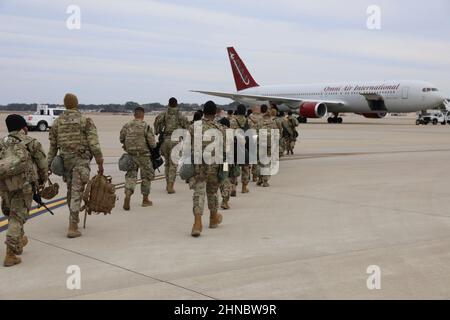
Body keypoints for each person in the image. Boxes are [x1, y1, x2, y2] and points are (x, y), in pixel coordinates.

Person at [48, 93, 104, 238]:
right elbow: (94, 144)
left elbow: (52, 148)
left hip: (66, 162)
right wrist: (100, 161)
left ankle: (74, 219)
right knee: (77, 191)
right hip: (80, 161)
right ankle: (72, 226)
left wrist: (47, 166)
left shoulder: (57, 123)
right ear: (76, 104)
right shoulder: (85, 121)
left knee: (71, 191)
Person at [1, 115, 47, 267]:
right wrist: (41, 181)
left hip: (5, 186)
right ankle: (10, 254)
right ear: (23, 127)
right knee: (17, 217)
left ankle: (19, 241)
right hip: (23, 186)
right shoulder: (31, 142)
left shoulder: (2, 142)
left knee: (12, 213)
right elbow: (42, 164)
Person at [190, 101, 225, 237]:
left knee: (199, 193)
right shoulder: (220, 128)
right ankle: (213, 218)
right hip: (214, 166)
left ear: (203, 111)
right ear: (215, 112)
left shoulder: (194, 127)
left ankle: (197, 223)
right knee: (212, 192)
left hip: (199, 166)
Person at [120, 107, 156, 210]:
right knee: (146, 177)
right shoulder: (146, 126)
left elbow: (121, 138)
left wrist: (127, 146)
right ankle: (145, 200)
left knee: (131, 176)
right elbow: (152, 144)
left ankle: (128, 194)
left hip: (131, 155)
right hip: (144, 156)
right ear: (143, 115)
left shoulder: (127, 126)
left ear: (134, 115)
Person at [154, 97, 189, 194]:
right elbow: (186, 127)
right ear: (177, 104)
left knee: (167, 164)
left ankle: (167, 184)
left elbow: (157, 124)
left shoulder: (164, 114)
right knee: (173, 164)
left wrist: (158, 131)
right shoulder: (180, 115)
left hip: (165, 141)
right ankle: (170, 185)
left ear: (168, 104)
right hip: (176, 141)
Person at [230, 104, 254, 194]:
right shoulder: (249, 121)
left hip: (235, 146)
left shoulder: (232, 121)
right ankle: (244, 187)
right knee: (245, 168)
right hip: (245, 147)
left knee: (233, 167)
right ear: (244, 111)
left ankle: (233, 187)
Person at [257, 104, 278, 187]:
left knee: (260, 162)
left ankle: (259, 178)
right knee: (267, 162)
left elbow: (254, 132)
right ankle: (265, 181)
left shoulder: (259, 122)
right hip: (269, 144)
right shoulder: (273, 122)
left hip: (260, 144)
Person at [217, 117, 232, 210]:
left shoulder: (215, 130)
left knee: (216, 179)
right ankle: (225, 200)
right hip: (225, 160)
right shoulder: (230, 132)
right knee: (225, 177)